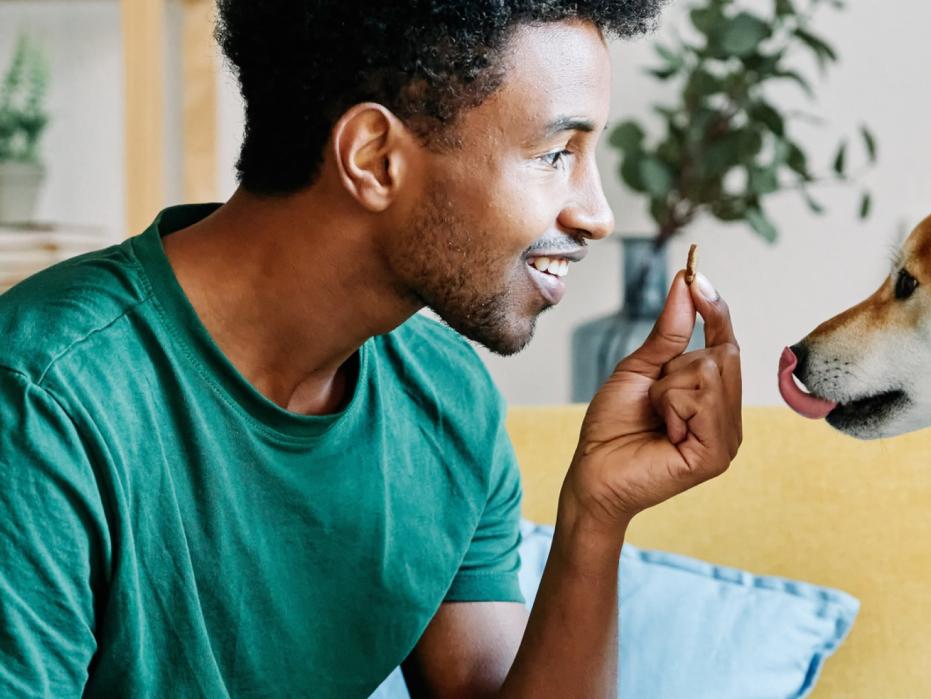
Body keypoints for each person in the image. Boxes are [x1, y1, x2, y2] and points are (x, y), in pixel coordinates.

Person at [0, 1, 743, 697]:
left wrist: (596, 513)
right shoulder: (43, 399)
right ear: (376, 157)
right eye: (556, 153)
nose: (597, 214)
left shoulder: (449, 399)